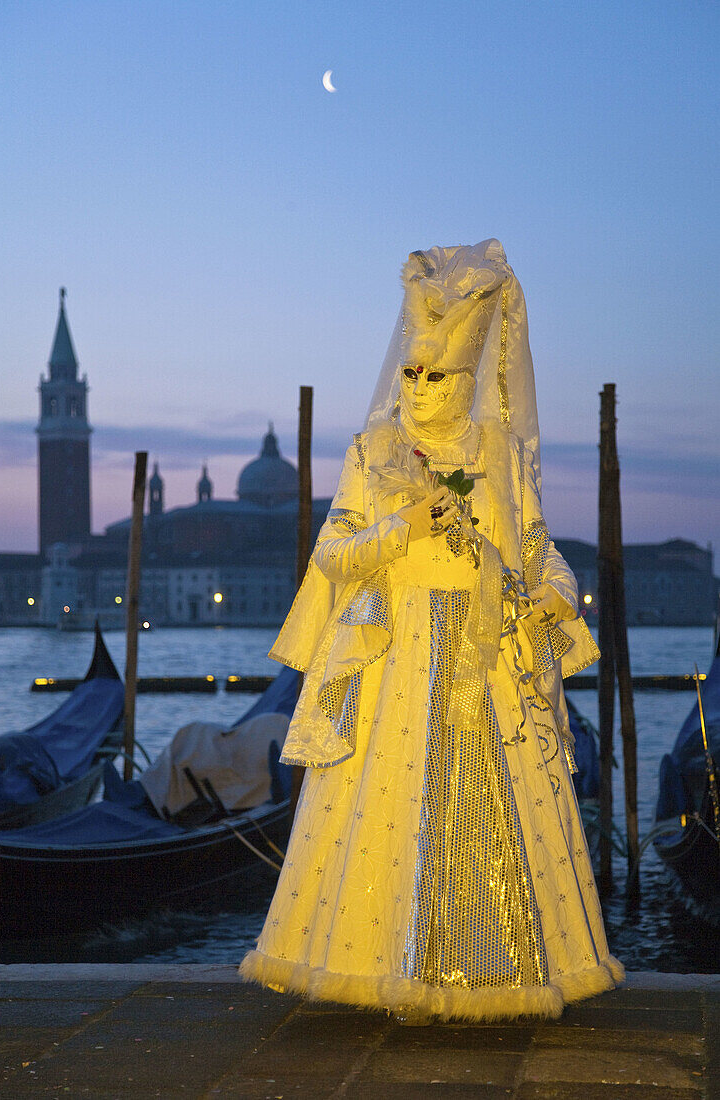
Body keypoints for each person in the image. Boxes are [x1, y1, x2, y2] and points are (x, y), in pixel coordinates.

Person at [240, 240, 624, 1022]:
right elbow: (333, 554)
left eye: (435, 375)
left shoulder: (500, 457)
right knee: (394, 801)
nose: (416, 387)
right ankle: (380, 965)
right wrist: (404, 528)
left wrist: (557, 595)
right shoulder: (372, 451)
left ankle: (493, 971)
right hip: (397, 656)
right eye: (410, 373)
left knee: (486, 807)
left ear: (470, 376)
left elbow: (537, 547)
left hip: (483, 654)